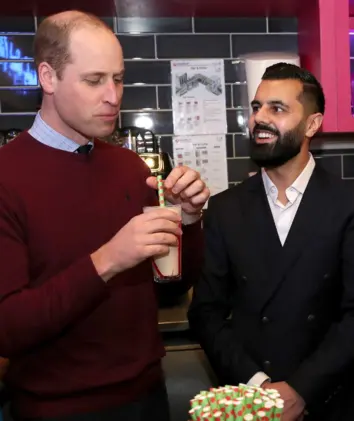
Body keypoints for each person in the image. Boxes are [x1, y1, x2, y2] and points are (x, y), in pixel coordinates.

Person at [0, 11, 209, 421]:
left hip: (147, 396)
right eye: (94, 80)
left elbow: (173, 285)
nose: (113, 95)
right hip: (57, 409)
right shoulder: (7, 177)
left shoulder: (131, 167)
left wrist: (188, 221)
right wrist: (109, 259)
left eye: (118, 78)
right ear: (48, 77)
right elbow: (8, 328)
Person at [188, 63, 354, 421]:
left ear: (312, 124)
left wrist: (300, 390)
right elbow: (206, 314)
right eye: (256, 107)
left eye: (277, 109)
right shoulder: (224, 209)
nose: (259, 118)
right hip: (253, 402)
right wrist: (259, 385)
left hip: (333, 399)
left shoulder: (352, 204)